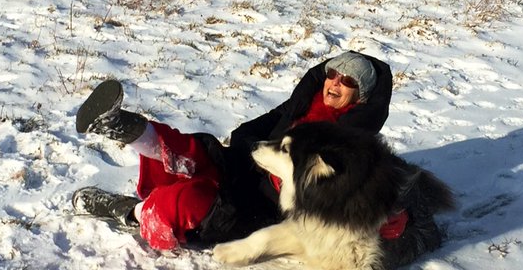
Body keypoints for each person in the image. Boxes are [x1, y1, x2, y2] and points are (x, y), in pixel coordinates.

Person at [72, 50, 393, 251]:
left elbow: (361, 194)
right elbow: (269, 121)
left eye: (347, 80)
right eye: (332, 74)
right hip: (249, 164)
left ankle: (127, 210)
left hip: (261, 205)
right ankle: (131, 129)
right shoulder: (306, 103)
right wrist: (245, 141)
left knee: (190, 202)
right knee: (199, 152)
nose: (334, 83)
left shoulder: (349, 146)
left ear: (361, 96)